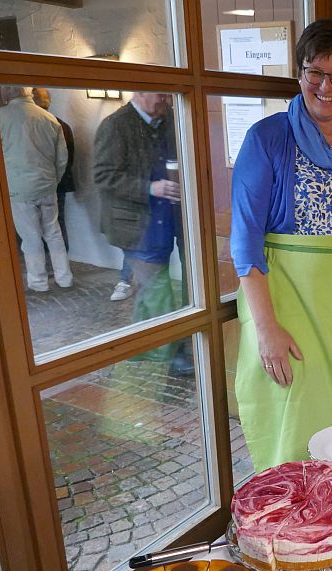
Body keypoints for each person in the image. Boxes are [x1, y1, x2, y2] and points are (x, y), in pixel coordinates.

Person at [230, 19, 332, 472]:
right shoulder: (267, 138)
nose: (326, 86)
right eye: (316, 71)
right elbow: (245, 242)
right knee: (299, 424)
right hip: (288, 306)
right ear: (300, 74)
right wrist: (267, 329)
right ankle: (298, 530)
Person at [93, 92, 192, 374]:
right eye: (160, 94)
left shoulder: (173, 118)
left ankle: (160, 344)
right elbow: (103, 176)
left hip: (175, 218)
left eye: (168, 94)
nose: (166, 100)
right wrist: (150, 188)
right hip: (138, 225)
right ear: (139, 93)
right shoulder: (115, 125)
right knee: (157, 288)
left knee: (190, 283)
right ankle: (170, 354)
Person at [0, 86, 72, 292]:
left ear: (7, 93)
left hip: (18, 189)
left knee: (31, 237)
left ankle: (39, 282)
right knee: (53, 232)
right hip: (47, 185)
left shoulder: (0, 117)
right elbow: (61, 158)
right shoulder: (49, 118)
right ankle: (64, 278)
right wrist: (53, 180)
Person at [31, 88, 75, 250]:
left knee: (46, 225)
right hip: (57, 181)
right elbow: (69, 158)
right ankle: (59, 262)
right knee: (57, 223)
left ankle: (54, 261)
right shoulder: (61, 124)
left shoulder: (39, 125)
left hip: (44, 182)